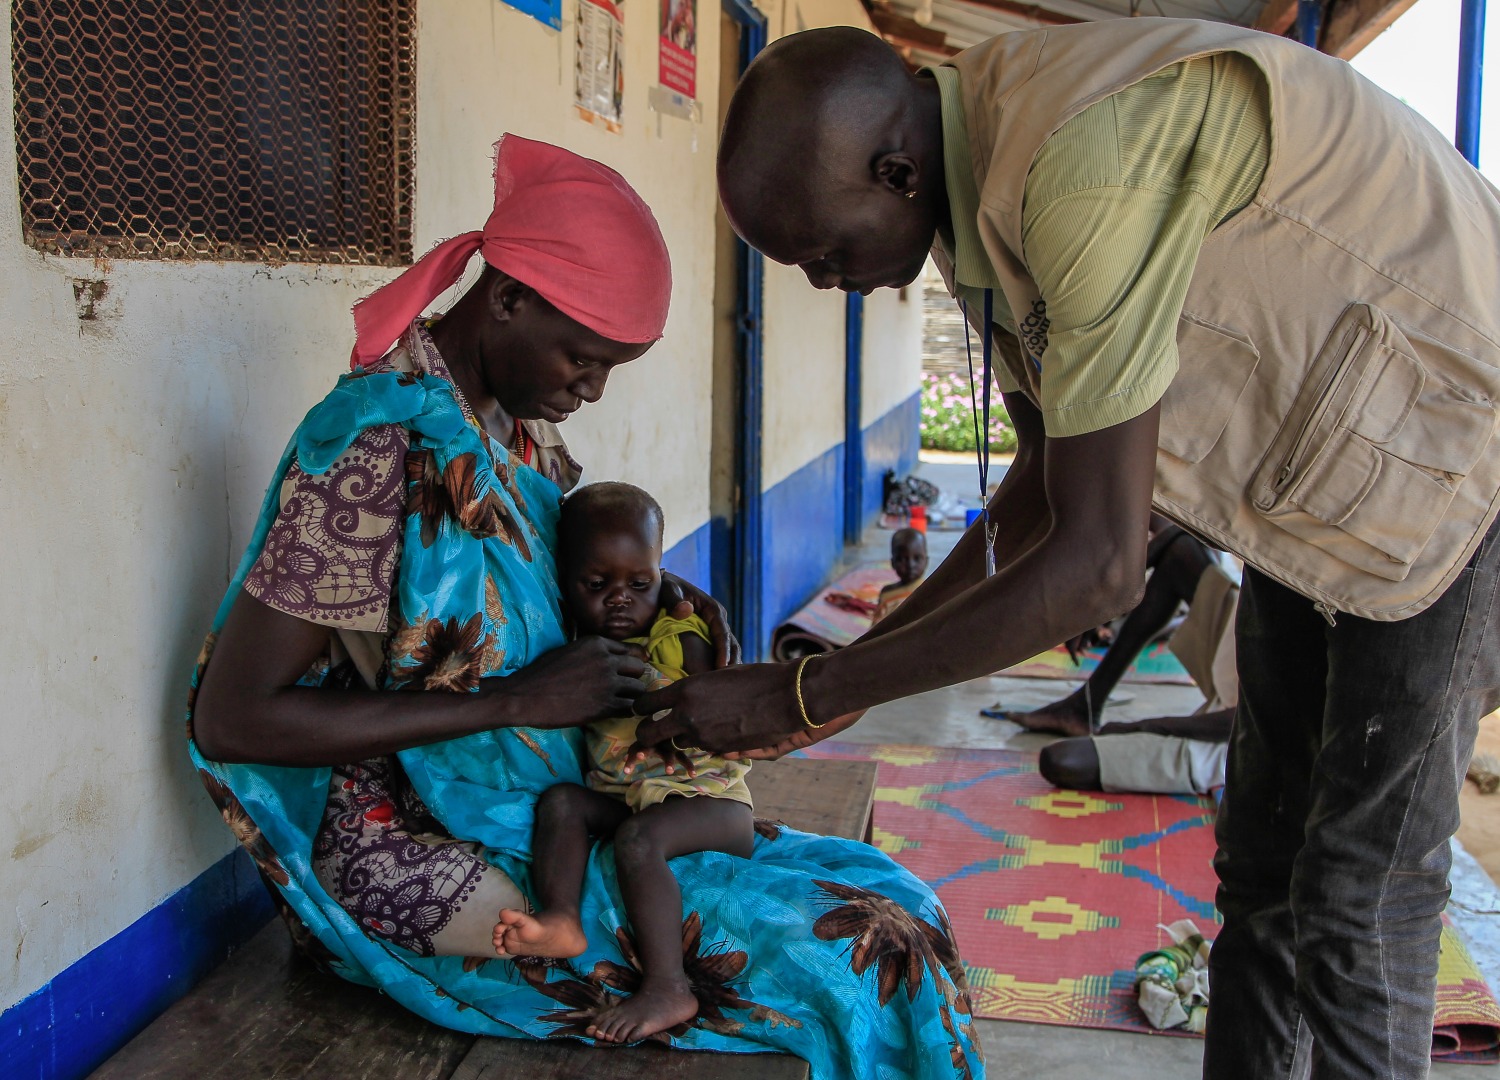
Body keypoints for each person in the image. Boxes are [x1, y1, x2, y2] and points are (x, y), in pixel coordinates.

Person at [636, 23, 1500, 1078]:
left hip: (1463, 488)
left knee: (1360, 898)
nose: (825, 282)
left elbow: (1098, 560)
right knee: (1265, 868)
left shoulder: (1078, 169)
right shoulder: (971, 185)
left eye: (825, 250)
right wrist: (852, 669)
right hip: (1327, 506)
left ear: (895, 170)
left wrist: (812, 696)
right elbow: (1045, 481)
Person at [187, 134, 983, 1077]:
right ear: (509, 300)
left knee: (901, 904)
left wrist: (661, 610)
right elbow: (234, 719)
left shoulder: (516, 433)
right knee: (859, 958)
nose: (592, 388)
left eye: (614, 368)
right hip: (414, 843)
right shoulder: (371, 452)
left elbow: (543, 586)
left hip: (564, 803)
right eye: (584, 358)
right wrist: (515, 702)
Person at [494, 482, 754, 1044]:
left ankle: (669, 986)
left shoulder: (682, 637)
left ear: (661, 579)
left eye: (639, 584)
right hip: (625, 797)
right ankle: (560, 918)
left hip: (710, 806)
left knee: (639, 840)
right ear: (564, 582)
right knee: (562, 803)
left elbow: (714, 699)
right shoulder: (572, 642)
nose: (619, 599)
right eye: (597, 585)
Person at [992, 516, 1227, 737]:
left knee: (1061, 762)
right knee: (1177, 556)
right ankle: (1086, 703)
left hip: (1240, 679)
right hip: (1239, 641)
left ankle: (1086, 702)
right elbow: (1183, 535)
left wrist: (1125, 731)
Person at [874, 527, 930, 623]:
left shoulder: (929, 592)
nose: (910, 565)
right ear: (893, 563)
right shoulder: (887, 594)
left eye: (917, 558)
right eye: (902, 559)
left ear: (926, 561)